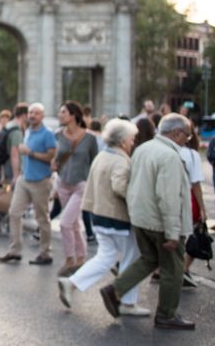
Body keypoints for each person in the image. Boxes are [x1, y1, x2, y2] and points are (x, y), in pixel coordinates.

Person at [99, 114, 196, 330]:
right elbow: (168, 197)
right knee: (173, 268)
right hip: (161, 222)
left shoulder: (143, 149)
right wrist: (173, 232)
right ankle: (166, 314)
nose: (186, 140)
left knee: (149, 259)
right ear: (177, 133)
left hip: (141, 218)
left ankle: (115, 289)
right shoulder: (169, 156)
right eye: (187, 136)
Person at [57, 118, 150, 316]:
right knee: (132, 259)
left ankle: (71, 283)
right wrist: (138, 200)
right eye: (132, 139)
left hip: (99, 215)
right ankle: (128, 302)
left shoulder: (103, 156)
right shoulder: (120, 160)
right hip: (117, 218)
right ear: (123, 140)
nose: (133, 142)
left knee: (105, 257)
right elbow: (119, 186)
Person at [0, 103, 56, 265]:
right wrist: (17, 175)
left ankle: (45, 253)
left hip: (41, 181)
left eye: (36, 113)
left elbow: (51, 157)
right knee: (14, 213)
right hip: (25, 179)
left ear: (42, 116)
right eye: (30, 113)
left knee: (42, 218)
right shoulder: (28, 131)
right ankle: (15, 250)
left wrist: (30, 153)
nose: (32, 116)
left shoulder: (48, 134)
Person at [53, 101, 100, 277]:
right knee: (73, 222)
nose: (60, 115)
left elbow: (95, 163)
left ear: (73, 115)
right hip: (63, 183)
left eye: (63, 112)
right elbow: (55, 159)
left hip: (81, 185)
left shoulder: (90, 139)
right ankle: (81, 257)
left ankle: (69, 259)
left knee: (65, 222)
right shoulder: (58, 135)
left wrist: (94, 188)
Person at [0, 104, 27, 233]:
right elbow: (14, 154)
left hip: (7, 169)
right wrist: (16, 175)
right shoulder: (16, 131)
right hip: (14, 170)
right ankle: (4, 222)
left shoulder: (7, 127)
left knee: (10, 195)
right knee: (15, 198)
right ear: (24, 115)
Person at [179, 125, 205, 286]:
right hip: (188, 198)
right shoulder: (192, 154)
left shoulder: (169, 151)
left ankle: (162, 270)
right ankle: (184, 269)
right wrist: (203, 208)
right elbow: (196, 184)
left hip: (169, 197)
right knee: (192, 235)